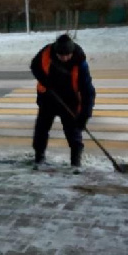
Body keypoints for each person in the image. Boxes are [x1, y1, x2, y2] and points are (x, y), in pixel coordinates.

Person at [30, 34, 96, 167]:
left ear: (72, 52)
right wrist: (45, 81)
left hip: (69, 101)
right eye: (61, 55)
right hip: (49, 98)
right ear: (56, 52)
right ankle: (39, 157)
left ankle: (75, 162)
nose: (64, 58)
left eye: (67, 55)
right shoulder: (47, 52)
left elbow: (88, 92)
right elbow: (34, 66)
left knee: (73, 133)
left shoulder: (80, 63)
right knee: (41, 130)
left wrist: (84, 115)